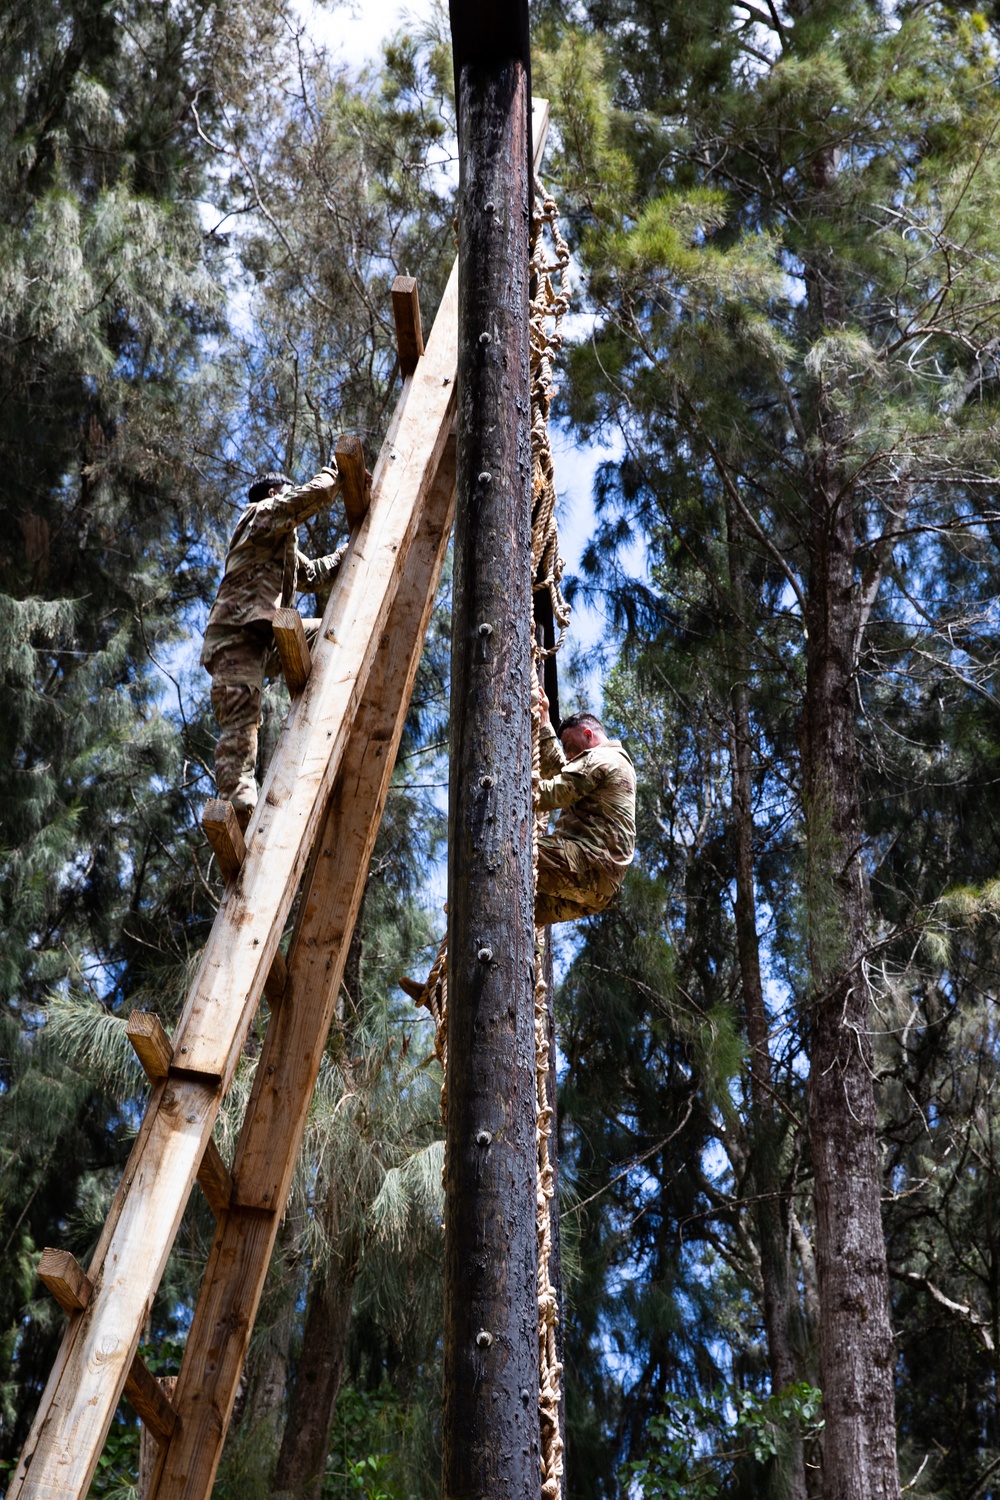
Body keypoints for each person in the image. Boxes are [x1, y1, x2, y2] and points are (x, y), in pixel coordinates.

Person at [201, 463, 351, 829]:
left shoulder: (279, 541)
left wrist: (347, 552)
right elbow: (307, 498)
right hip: (236, 639)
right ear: (273, 494)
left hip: (260, 638)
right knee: (242, 719)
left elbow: (311, 575)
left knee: (328, 634)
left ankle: (241, 804)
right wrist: (335, 473)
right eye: (287, 490)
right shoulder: (259, 517)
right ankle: (237, 808)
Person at [535, 683, 636, 924]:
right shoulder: (612, 762)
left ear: (588, 735)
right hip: (598, 889)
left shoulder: (603, 758)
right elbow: (562, 770)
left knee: (510, 854)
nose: (568, 755)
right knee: (523, 909)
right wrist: (544, 720)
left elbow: (550, 793)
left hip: (587, 862)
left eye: (569, 747)